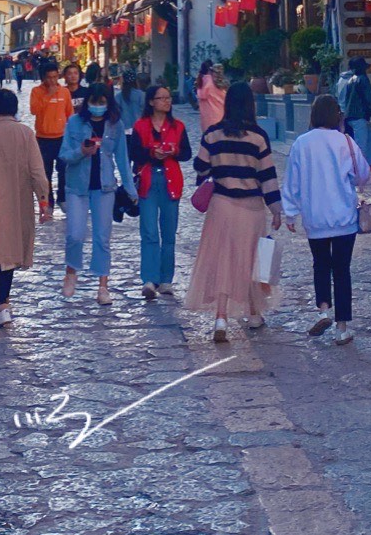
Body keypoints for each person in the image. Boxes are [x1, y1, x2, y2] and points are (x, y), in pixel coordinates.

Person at [187, 81, 282, 342]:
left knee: (222, 260)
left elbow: (200, 167)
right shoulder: (258, 137)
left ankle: (221, 317)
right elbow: (267, 177)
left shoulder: (213, 134)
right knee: (252, 260)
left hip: (221, 206)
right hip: (251, 208)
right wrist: (276, 210)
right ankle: (254, 313)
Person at [281, 93, 370, 345]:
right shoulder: (346, 142)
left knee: (320, 264)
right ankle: (342, 327)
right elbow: (362, 174)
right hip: (343, 217)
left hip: (315, 216)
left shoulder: (301, 143)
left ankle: (323, 310)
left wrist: (290, 212)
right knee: (342, 270)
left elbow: (292, 181)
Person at [0, 85, 50, 327]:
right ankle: (4, 303)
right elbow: (38, 172)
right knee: (10, 253)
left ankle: (2, 306)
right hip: (19, 200)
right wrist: (43, 201)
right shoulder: (26, 133)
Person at [58, 82, 136, 304]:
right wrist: (81, 152)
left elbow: (123, 159)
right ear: (87, 102)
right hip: (77, 186)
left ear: (108, 102)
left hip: (105, 187)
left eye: (102, 102)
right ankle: (71, 272)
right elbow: (64, 155)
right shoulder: (74, 122)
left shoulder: (116, 125)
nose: (98, 106)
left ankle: (103, 286)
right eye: (94, 101)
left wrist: (130, 189)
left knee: (102, 237)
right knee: (75, 234)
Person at [128, 84, 191, 299]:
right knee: (149, 231)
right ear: (151, 102)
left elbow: (186, 153)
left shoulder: (178, 126)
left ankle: (166, 280)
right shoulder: (140, 126)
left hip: (170, 180)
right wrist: (151, 153)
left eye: (168, 97)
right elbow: (134, 153)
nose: (167, 101)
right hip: (148, 180)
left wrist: (173, 151)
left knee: (169, 232)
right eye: (162, 98)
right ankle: (149, 279)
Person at [30, 62, 73, 215]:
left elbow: (70, 114)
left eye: (55, 77)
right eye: (49, 77)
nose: (52, 81)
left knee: (63, 169)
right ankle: (48, 202)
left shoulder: (64, 92)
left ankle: (62, 197)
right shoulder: (36, 91)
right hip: (43, 138)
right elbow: (34, 110)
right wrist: (48, 95)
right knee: (45, 172)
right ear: (43, 78)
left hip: (61, 138)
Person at [336, 57, 371, 164]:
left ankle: (369, 165)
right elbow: (368, 99)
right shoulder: (363, 79)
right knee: (362, 147)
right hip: (360, 116)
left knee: (370, 140)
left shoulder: (349, 80)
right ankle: (360, 169)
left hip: (349, 116)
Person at [197, 61, 227, 135]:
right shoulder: (217, 81)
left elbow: (202, 95)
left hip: (208, 118)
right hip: (220, 115)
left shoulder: (203, 81)